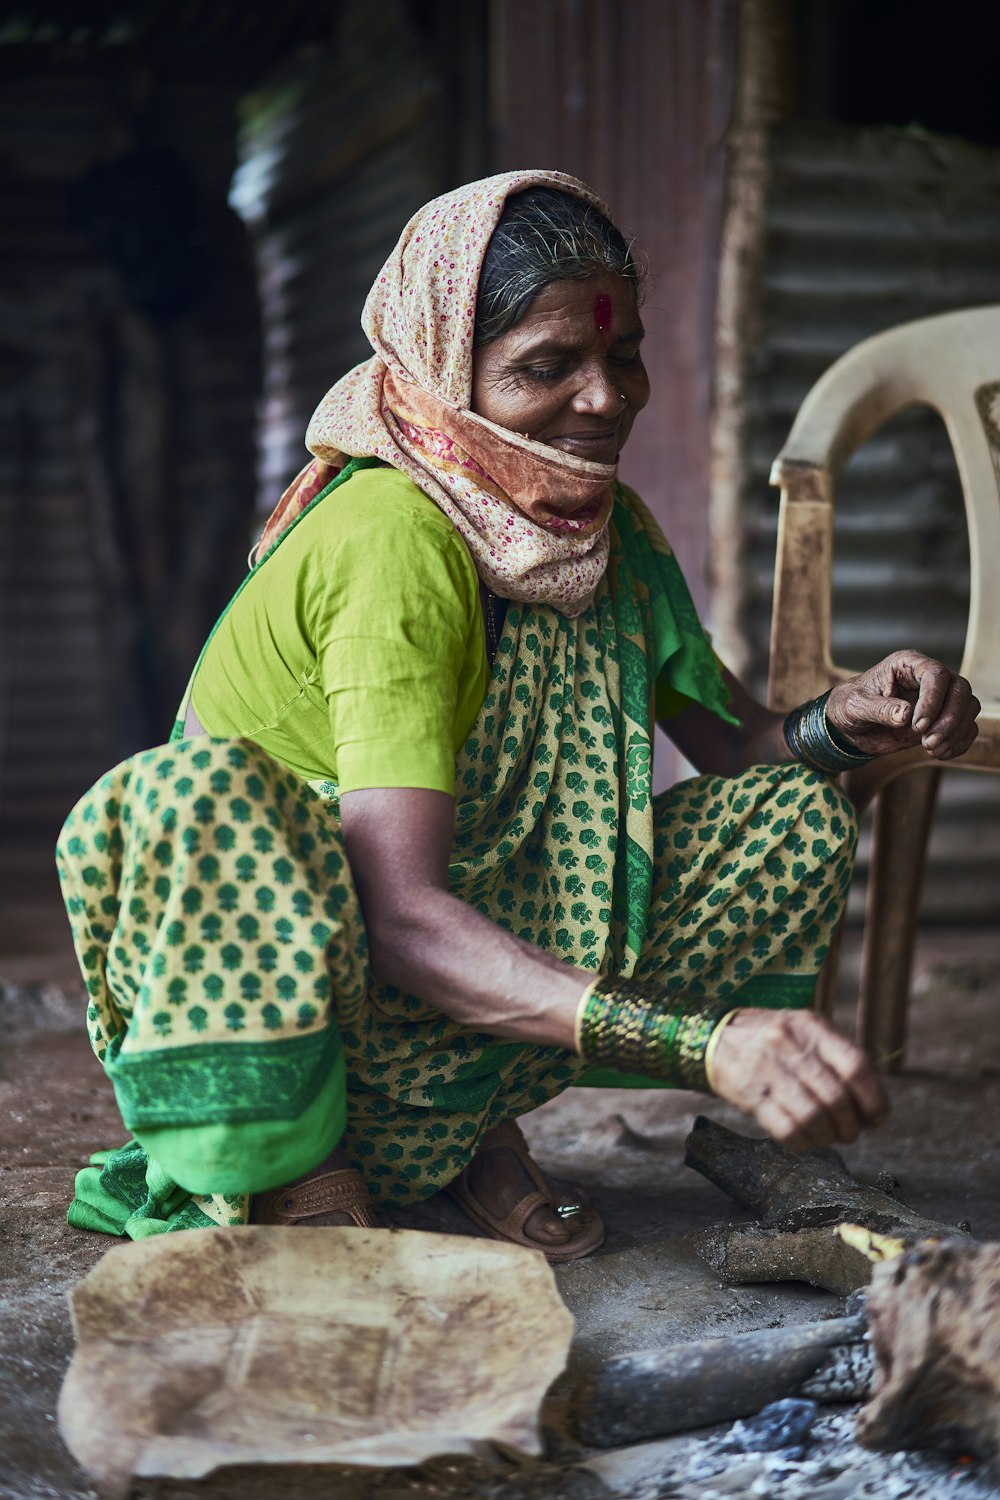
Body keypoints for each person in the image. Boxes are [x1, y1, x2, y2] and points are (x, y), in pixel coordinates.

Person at [57, 170, 980, 1258]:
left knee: (790, 820)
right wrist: (704, 1045)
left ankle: (454, 1130)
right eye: (547, 367)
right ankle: (297, 1158)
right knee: (199, 799)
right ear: (448, 373)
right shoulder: (395, 539)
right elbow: (398, 911)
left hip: (455, 952)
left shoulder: (596, 527)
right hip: (302, 981)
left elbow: (733, 748)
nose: (604, 399)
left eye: (621, 353)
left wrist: (848, 717)